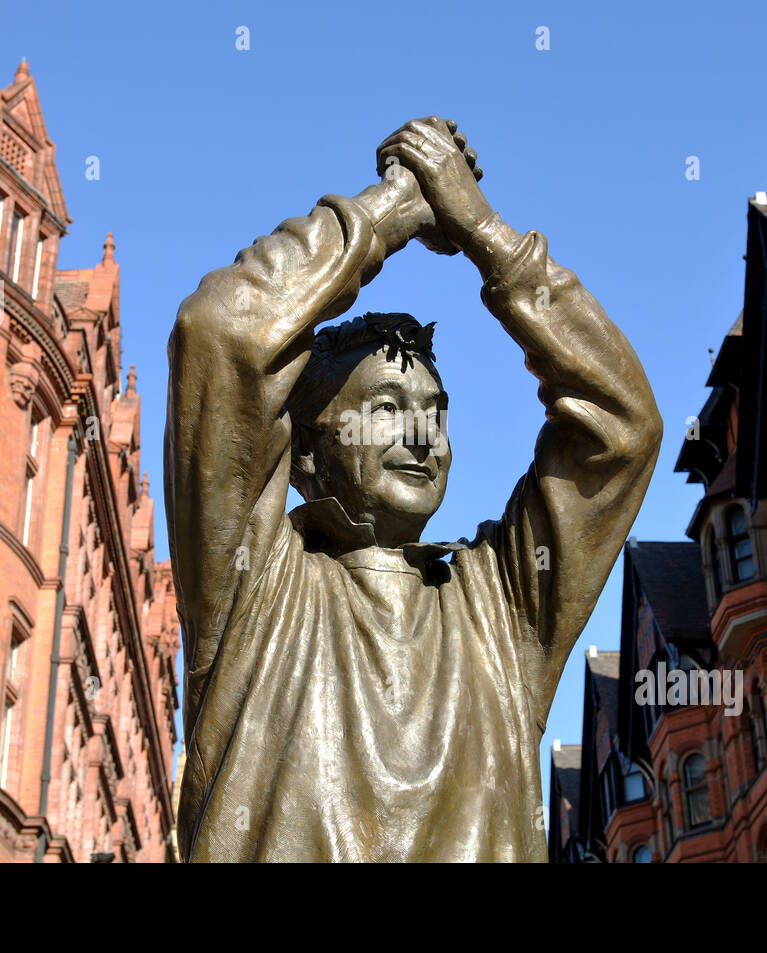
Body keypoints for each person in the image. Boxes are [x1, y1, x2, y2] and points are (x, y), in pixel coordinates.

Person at [165, 117, 661, 861]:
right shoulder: (249, 586)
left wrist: (485, 235)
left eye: (436, 414)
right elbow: (221, 332)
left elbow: (620, 429)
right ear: (305, 454)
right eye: (386, 412)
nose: (423, 437)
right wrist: (393, 210)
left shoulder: (502, 608)